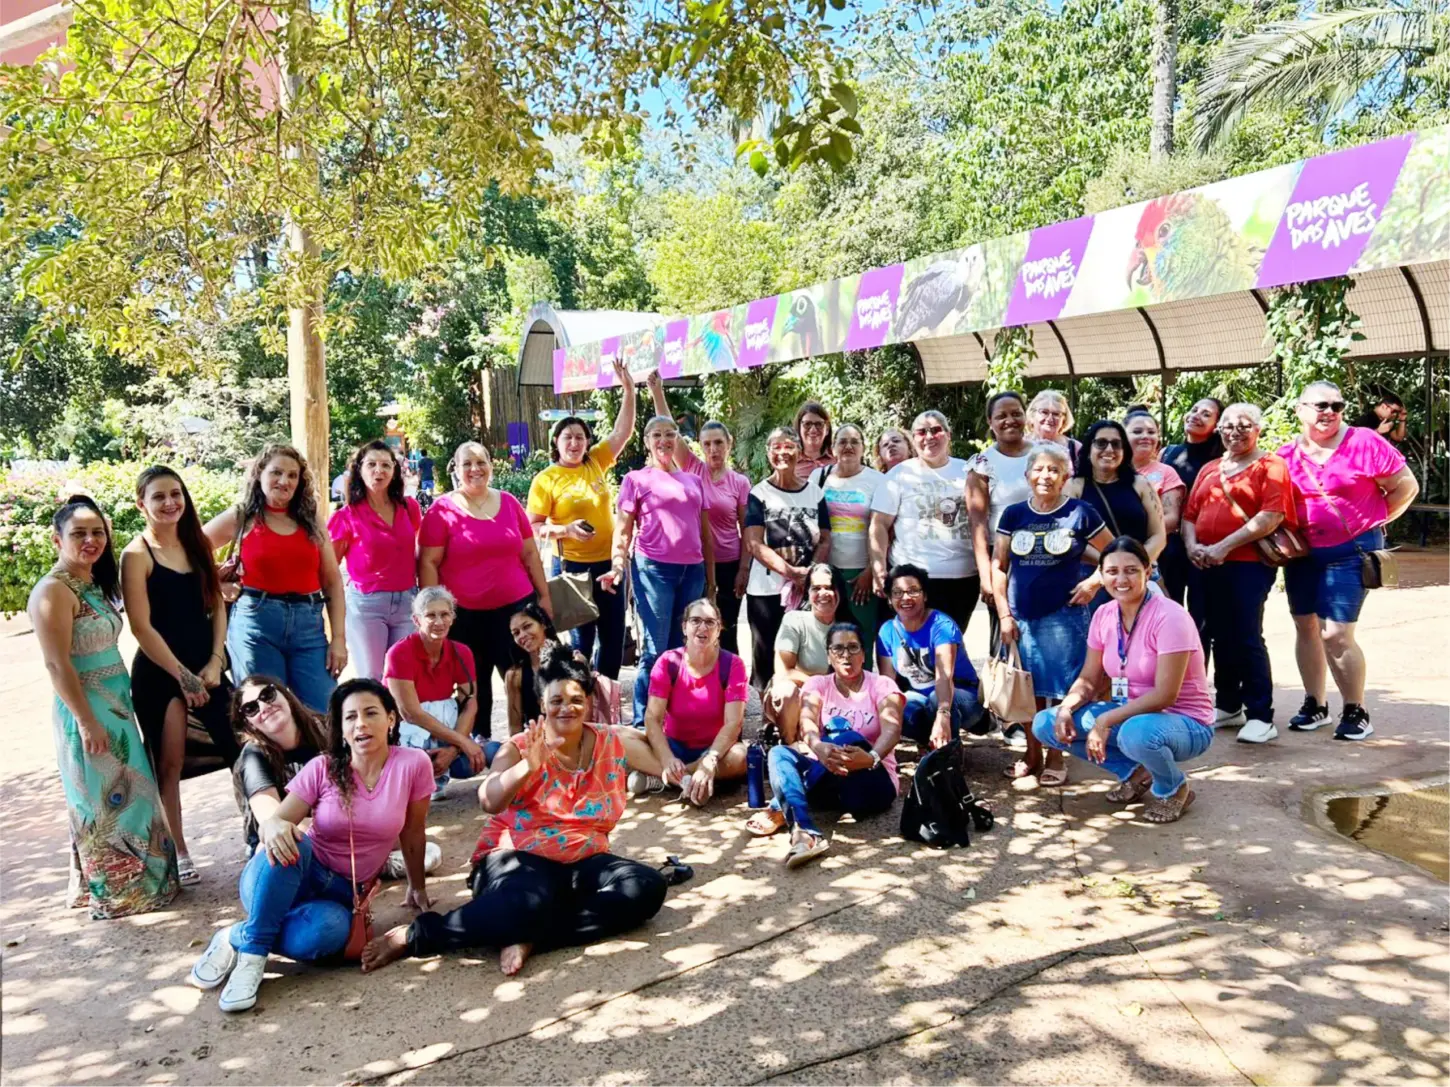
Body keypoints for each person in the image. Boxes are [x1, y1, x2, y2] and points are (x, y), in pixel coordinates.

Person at [359, 647, 669, 978]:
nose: (567, 708)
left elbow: (669, 765)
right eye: (557, 701)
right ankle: (416, 934)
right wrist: (527, 768)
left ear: (589, 702)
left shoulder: (611, 741)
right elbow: (488, 800)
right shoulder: (520, 747)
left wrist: (709, 765)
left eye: (576, 699)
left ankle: (532, 935)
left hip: (583, 861)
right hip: (519, 861)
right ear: (542, 704)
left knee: (645, 886)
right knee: (520, 907)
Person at [189, 679, 434, 1011]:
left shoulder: (413, 764)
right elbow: (278, 821)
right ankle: (253, 956)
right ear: (342, 729)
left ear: (391, 719)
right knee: (293, 840)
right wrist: (275, 827)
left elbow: (414, 832)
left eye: (371, 713)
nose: (360, 723)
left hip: (343, 892)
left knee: (329, 933)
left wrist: (416, 886)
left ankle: (237, 936)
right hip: (286, 872)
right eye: (350, 717)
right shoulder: (323, 767)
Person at [29, 496, 181, 918]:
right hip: (89, 711)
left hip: (116, 709)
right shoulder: (53, 591)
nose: (91, 540)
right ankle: (120, 893)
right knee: (103, 804)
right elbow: (58, 664)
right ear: (57, 538)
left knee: (136, 795)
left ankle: (150, 885)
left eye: (97, 532)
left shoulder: (91, 583)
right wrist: (86, 721)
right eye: (79, 534)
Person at [1031, 538, 1214, 824]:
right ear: (1101, 576)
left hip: (1184, 722)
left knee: (1135, 733)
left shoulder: (1171, 617)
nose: (1121, 579)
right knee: (1046, 723)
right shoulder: (1104, 614)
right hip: (1130, 716)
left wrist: (1105, 722)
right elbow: (1089, 679)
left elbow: (1165, 695)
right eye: (1112, 572)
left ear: (1147, 569)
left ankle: (1174, 787)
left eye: (1130, 570)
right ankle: (1136, 773)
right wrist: (1066, 708)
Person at [1278, 381, 1419, 741]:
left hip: (1350, 552)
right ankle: (1315, 704)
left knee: (1336, 634)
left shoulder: (1364, 441)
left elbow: (1406, 486)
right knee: (1305, 626)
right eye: (1321, 405)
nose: (1329, 412)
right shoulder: (1285, 456)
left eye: (1337, 406)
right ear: (1300, 410)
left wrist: (1374, 521)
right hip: (1303, 556)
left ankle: (1356, 709)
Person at [121, 466, 236, 886]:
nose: (170, 502)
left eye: (176, 494)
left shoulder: (196, 544)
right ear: (141, 504)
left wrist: (214, 660)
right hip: (160, 673)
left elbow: (217, 604)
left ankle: (260, 833)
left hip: (208, 668)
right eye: (158, 496)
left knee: (243, 747)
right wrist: (182, 677)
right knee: (169, 764)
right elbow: (141, 627)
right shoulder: (136, 555)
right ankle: (180, 850)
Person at [992, 443, 1114, 787]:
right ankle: (1031, 754)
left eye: (1053, 470)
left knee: (1062, 690)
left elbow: (1117, 552)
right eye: (1039, 469)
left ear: (1065, 476)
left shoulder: (1080, 512)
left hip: (1065, 617)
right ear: (1028, 475)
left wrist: (1093, 582)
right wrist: (1004, 615)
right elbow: (999, 566)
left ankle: (1056, 754)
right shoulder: (1014, 514)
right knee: (1027, 691)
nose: (1045, 476)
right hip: (1020, 617)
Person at [745, 621, 904, 868]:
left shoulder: (882, 685)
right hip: (829, 779)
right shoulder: (818, 684)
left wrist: (871, 757)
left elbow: (893, 729)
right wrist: (817, 746)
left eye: (853, 648)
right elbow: (807, 723)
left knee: (847, 738)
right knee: (778, 753)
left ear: (863, 653)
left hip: (871, 782)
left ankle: (779, 805)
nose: (845, 655)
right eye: (838, 649)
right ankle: (804, 831)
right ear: (829, 654)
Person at [419, 441, 551, 738]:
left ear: (491, 465)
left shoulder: (509, 503)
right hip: (465, 616)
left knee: (526, 678)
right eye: (467, 463)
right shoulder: (442, 511)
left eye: (481, 462)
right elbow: (428, 561)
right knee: (473, 683)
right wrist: (431, 612)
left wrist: (544, 597)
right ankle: (479, 743)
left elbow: (530, 554)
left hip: (517, 610)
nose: (475, 469)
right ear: (455, 469)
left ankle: (533, 739)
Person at [1181, 404, 1295, 743]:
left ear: (1258, 428)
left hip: (1246, 565)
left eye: (1243, 424)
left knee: (1246, 636)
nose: (1234, 430)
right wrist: (1192, 547)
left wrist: (1223, 547)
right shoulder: (1211, 469)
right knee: (1216, 634)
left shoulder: (1271, 466)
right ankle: (1229, 705)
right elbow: (1190, 514)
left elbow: (1270, 516)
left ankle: (1261, 714)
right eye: (1228, 425)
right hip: (1205, 563)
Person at [204, 443, 348, 713]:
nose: (284, 481)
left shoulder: (311, 520)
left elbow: (331, 581)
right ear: (259, 474)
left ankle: (317, 758)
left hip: (309, 625)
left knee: (325, 711)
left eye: (293, 476)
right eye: (276, 473)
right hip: (256, 623)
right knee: (264, 712)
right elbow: (190, 550)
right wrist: (217, 580)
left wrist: (339, 638)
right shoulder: (243, 516)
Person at [527, 360, 637, 679]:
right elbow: (533, 527)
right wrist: (566, 530)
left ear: (587, 441)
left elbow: (622, 432)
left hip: (610, 565)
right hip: (574, 569)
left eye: (579, 437)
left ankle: (607, 699)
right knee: (582, 642)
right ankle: (580, 701)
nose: (574, 443)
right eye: (567, 438)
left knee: (614, 636)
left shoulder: (596, 463)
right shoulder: (546, 479)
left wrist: (628, 389)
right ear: (556, 443)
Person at [601, 414, 713, 724]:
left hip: (692, 571)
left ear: (678, 439)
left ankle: (673, 720)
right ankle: (642, 722)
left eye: (670, 434)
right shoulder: (636, 479)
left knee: (684, 648)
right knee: (655, 648)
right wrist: (617, 565)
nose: (664, 440)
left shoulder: (694, 480)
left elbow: (705, 535)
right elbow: (622, 530)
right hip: (653, 570)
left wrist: (712, 582)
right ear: (647, 442)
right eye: (657, 435)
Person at [648, 373, 751, 655]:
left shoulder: (740, 483)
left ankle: (731, 691)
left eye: (718, 443)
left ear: (729, 444)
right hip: (695, 566)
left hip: (729, 565)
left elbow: (748, 530)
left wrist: (744, 569)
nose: (713, 449)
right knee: (696, 632)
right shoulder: (693, 469)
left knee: (726, 631)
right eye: (707, 444)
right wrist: (658, 391)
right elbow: (669, 432)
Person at [870, 411, 978, 636]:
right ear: (914, 439)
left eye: (936, 430)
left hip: (962, 579)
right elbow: (879, 524)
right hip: (910, 580)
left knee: (950, 650)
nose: (929, 436)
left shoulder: (968, 470)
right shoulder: (899, 475)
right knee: (909, 653)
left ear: (948, 435)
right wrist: (879, 569)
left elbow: (983, 519)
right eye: (921, 432)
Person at [635, 598, 750, 804]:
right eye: (695, 620)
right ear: (684, 627)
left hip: (715, 749)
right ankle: (689, 781)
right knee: (618, 736)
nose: (702, 627)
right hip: (672, 746)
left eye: (710, 622)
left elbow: (734, 723)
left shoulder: (733, 665)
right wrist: (667, 758)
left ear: (719, 629)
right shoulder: (668, 662)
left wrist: (710, 759)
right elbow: (652, 717)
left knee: (741, 757)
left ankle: (666, 778)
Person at [743, 426, 831, 691]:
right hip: (766, 590)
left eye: (789, 446)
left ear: (798, 450)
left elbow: (825, 538)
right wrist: (791, 572)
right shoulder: (759, 494)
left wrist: (810, 573)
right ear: (768, 453)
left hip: (806, 589)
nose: (783, 453)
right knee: (766, 652)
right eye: (776, 447)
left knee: (803, 651)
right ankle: (768, 719)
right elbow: (754, 543)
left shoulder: (815, 493)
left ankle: (803, 712)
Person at [384, 586, 492, 798]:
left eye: (444, 614)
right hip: (407, 742)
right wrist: (462, 742)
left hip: (446, 742)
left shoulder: (462, 652)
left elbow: (470, 704)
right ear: (417, 620)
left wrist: (452, 752)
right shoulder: (399, 653)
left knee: (493, 752)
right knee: (414, 772)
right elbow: (410, 713)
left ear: (453, 617)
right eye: (430, 615)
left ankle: (496, 792)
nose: (439, 621)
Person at [329, 440, 422, 681]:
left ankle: (400, 720)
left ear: (395, 470)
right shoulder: (346, 516)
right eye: (371, 464)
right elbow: (329, 570)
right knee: (372, 677)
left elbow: (420, 551)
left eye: (385, 465)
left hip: (407, 602)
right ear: (359, 469)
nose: (378, 471)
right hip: (367, 605)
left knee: (402, 676)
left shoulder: (409, 508)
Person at [876, 564, 982, 747]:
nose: (905, 598)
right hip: (920, 699)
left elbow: (944, 677)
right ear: (889, 599)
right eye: (898, 592)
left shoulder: (941, 626)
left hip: (961, 697)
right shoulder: (887, 631)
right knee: (897, 705)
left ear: (925, 595)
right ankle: (930, 745)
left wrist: (943, 714)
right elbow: (888, 685)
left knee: (936, 700)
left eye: (913, 591)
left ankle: (950, 754)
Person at [1067, 420, 1165, 607]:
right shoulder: (1074, 486)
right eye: (1101, 443)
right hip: (1091, 580)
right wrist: (1109, 568)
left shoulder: (1140, 484)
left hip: (1140, 575)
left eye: (1116, 443)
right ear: (1089, 449)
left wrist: (1134, 565)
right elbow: (1069, 537)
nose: (1109, 449)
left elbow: (1158, 535)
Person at [230, 676, 330, 857]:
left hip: (333, 824)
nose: (264, 707)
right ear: (247, 723)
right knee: (288, 839)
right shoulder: (253, 756)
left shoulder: (325, 730)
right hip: (289, 836)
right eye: (251, 708)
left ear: (286, 695)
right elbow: (273, 823)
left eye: (267, 695)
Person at [966, 391, 1033, 651]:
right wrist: (986, 575)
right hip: (1004, 560)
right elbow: (977, 523)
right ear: (990, 422)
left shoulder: (1046, 453)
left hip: (1048, 554)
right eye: (1001, 416)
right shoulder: (983, 463)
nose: (1010, 420)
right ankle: (1010, 692)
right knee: (1007, 633)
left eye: (1016, 413)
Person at [505, 602, 625, 733]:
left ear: (543, 624)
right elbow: (514, 726)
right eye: (516, 633)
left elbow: (586, 718)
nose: (522, 635)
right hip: (536, 742)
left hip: (572, 738)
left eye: (527, 626)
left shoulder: (574, 661)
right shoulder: (514, 675)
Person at [819, 424, 885, 650]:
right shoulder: (819, 476)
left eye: (854, 441)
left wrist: (871, 570)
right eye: (842, 441)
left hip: (862, 574)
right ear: (833, 447)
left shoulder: (877, 480)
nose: (848, 446)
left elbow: (886, 528)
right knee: (828, 639)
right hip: (827, 572)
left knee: (861, 639)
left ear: (864, 448)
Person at [1160, 397, 1225, 631]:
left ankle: (1198, 667)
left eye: (1206, 414)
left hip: (1203, 548)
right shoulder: (1167, 453)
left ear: (1217, 425)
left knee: (1202, 617)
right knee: (1168, 612)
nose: (1196, 415)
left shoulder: (1222, 460)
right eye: (1194, 409)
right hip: (1168, 545)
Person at [765, 564, 841, 743]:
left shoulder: (848, 626)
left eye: (829, 587)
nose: (823, 593)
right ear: (808, 592)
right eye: (816, 588)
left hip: (836, 697)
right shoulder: (794, 620)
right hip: (800, 693)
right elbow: (784, 671)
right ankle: (789, 746)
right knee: (786, 690)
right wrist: (821, 686)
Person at [1125, 410, 1187, 544]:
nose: (1145, 436)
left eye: (1151, 432)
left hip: (1151, 551)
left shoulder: (1166, 473)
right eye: (1137, 432)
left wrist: (1127, 536)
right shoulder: (1108, 471)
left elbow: (1171, 519)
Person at [1026, 390, 1081, 466]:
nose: (1050, 418)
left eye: (1056, 414)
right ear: (1032, 415)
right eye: (1044, 412)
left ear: (1064, 419)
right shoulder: (1017, 445)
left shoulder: (1075, 448)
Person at [793, 400, 836, 483]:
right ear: (799, 427)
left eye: (819, 424)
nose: (813, 430)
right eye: (807, 424)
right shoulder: (790, 462)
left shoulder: (837, 460)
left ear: (826, 429)